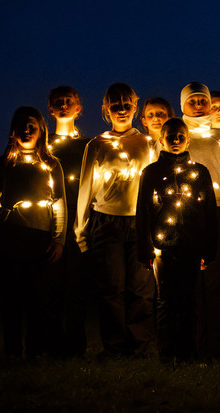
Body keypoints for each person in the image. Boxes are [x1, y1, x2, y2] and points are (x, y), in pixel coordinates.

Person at [75, 82, 155, 358]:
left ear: (135, 106)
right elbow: (86, 188)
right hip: (106, 223)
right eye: (115, 105)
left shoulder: (148, 143)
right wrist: (80, 231)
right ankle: (115, 347)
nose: (121, 109)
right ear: (105, 110)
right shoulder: (97, 145)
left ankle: (141, 346)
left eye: (126, 104)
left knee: (141, 289)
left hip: (140, 223)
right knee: (112, 289)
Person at [137, 118, 218, 366]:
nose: (175, 140)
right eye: (170, 135)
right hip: (163, 248)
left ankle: (188, 354)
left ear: (188, 139)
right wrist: (145, 250)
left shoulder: (200, 172)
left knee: (190, 301)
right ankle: (166, 354)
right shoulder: (151, 173)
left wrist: (208, 249)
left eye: (180, 136)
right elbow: (143, 211)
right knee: (165, 302)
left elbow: (210, 212)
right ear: (161, 139)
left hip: (192, 246)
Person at [0, 106, 67, 359]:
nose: (26, 131)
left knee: (37, 296)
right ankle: (12, 350)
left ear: (40, 131)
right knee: (12, 295)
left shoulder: (51, 164)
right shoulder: (4, 164)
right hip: (11, 236)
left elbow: (59, 203)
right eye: (21, 126)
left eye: (31, 127)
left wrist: (58, 239)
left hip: (40, 237)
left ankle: (35, 349)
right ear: (13, 131)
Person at [179, 82, 220, 360]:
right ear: (182, 105)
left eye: (201, 100)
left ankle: (216, 349)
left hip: (218, 213)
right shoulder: (177, 136)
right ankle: (191, 345)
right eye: (191, 100)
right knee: (190, 284)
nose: (197, 105)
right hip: (185, 214)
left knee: (215, 284)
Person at [47, 85, 91, 357]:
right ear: (50, 109)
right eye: (58, 102)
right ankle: (51, 344)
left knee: (76, 286)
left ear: (78, 108)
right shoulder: (44, 146)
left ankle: (76, 346)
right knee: (51, 286)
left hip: (79, 224)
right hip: (48, 223)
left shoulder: (87, 146)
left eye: (69, 101)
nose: (64, 105)